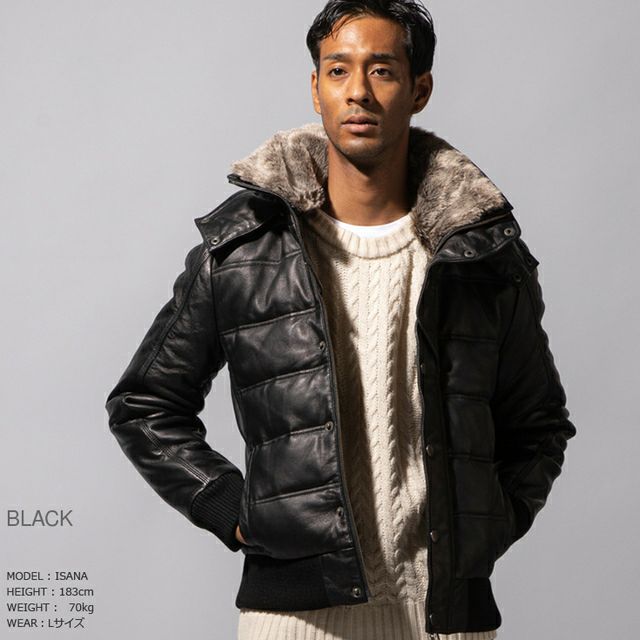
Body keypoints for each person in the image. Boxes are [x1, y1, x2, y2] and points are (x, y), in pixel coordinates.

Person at [105, 1, 577, 638]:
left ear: (419, 90)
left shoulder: (481, 254)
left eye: (382, 70)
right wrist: (234, 509)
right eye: (338, 70)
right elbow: (144, 403)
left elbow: (539, 423)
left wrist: (488, 523)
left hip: (447, 619)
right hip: (293, 619)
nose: (358, 92)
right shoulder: (243, 250)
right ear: (316, 88)